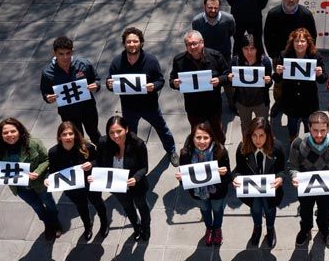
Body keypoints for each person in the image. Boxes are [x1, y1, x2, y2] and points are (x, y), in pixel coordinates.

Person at [106, 27, 178, 166]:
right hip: (129, 107)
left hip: (149, 105)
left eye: (135, 41)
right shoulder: (117, 62)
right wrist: (109, 84)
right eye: (129, 42)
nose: (132, 44)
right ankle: (133, 156)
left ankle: (171, 151)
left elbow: (160, 80)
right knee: (130, 134)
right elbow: (111, 81)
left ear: (141, 43)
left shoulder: (150, 60)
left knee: (162, 128)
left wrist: (154, 87)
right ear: (124, 44)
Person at [0, 118, 62, 240]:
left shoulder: (34, 143)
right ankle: (47, 224)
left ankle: (56, 223)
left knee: (49, 203)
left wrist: (37, 172)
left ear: (19, 131)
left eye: (13, 131)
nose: (9, 135)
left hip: (40, 183)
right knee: (37, 207)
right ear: (1, 135)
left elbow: (46, 160)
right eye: (5, 133)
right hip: (20, 188)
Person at [288, 111, 329, 249]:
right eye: (315, 130)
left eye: (323, 130)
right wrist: (294, 176)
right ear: (309, 127)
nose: (319, 135)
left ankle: (324, 231)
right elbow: (292, 165)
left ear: (328, 128)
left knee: (325, 211)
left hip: (327, 189)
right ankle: (305, 229)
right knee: (305, 211)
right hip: (305, 188)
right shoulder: (298, 143)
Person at [46, 122, 110, 240]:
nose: (68, 137)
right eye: (64, 134)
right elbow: (53, 170)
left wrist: (91, 164)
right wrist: (48, 179)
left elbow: (100, 161)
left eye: (71, 134)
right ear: (59, 137)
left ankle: (104, 222)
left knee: (98, 203)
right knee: (81, 207)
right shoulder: (53, 152)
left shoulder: (86, 147)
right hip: (72, 189)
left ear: (75, 135)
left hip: (90, 183)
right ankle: (87, 225)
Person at [92, 116, 151, 241]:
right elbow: (98, 161)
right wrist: (93, 170)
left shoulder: (138, 144)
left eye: (119, 131)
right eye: (111, 132)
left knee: (142, 206)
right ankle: (136, 226)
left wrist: (136, 178)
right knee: (127, 207)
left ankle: (146, 227)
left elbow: (144, 168)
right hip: (117, 186)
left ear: (127, 129)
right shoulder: (103, 142)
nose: (115, 136)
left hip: (136, 185)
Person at [263, 0, 317, 116]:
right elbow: (268, 36)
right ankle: (278, 103)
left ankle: (295, 103)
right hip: (280, 57)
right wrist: (274, 56)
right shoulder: (273, 14)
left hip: (300, 56)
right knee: (279, 83)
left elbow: (312, 36)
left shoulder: (306, 14)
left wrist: (306, 54)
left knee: (298, 83)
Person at [232, 118, 286, 248]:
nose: (258, 140)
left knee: (270, 210)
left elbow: (282, 169)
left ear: (267, 135)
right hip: (252, 190)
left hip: (271, 189)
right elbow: (237, 170)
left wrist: (280, 178)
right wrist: (236, 178)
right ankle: (257, 227)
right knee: (255, 209)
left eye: (261, 135)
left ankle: (270, 228)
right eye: (254, 135)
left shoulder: (277, 148)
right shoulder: (243, 149)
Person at [175, 121, 231, 246]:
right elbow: (185, 178)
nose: (202, 141)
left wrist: (224, 174)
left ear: (211, 138)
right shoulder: (186, 154)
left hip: (217, 192)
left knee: (217, 210)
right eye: (198, 137)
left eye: (206, 137)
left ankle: (217, 228)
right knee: (205, 210)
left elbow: (228, 178)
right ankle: (209, 228)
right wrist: (181, 178)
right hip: (197, 193)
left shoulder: (221, 152)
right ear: (192, 138)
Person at [169, 30, 229, 141]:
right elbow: (171, 80)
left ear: (202, 42)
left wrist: (219, 80)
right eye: (188, 44)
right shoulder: (179, 60)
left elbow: (228, 75)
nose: (192, 47)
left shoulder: (215, 56)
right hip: (193, 107)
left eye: (194, 43)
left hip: (213, 105)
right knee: (196, 133)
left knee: (217, 131)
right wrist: (175, 83)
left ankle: (220, 151)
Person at [40, 36, 101, 144]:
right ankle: (84, 158)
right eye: (61, 54)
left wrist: (96, 85)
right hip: (68, 114)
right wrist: (48, 98)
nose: (65, 57)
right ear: (54, 53)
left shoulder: (84, 64)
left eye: (68, 53)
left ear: (72, 51)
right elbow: (45, 92)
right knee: (77, 139)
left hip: (88, 109)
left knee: (94, 133)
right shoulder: (48, 73)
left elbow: (96, 79)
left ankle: (103, 155)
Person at [271, 28, 327, 142]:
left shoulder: (316, 56)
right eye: (296, 41)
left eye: (302, 41)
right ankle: (293, 140)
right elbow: (276, 79)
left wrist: (320, 74)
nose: (299, 44)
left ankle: (308, 143)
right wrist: (277, 73)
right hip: (291, 100)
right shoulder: (284, 55)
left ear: (308, 43)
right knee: (292, 124)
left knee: (309, 125)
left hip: (309, 100)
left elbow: (323, 79)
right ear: (292, 43)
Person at [191, 0, 237, 111]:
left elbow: (231, 32)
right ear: (204, 7)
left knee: (229, 84)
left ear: (219, 7)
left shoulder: (228, 19)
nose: (213, 10)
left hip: (225, 57)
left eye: (215, 8)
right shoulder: (197, 21)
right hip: (206, 58)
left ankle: (233, 105)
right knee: (209, 83)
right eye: (210, 7)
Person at [228, 32, 273, 136]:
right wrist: (229, 79)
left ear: (257, 49)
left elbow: (269, 83)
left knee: (263, 127)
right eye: (246, 49)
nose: (249, 52)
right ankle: (247, 148)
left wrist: (268, 81)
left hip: (261, 102)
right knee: (245, 128)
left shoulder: (264, 61)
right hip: (243, 103)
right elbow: (230, 80)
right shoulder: (235, 61)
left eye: (252, 48)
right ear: (241, 49)